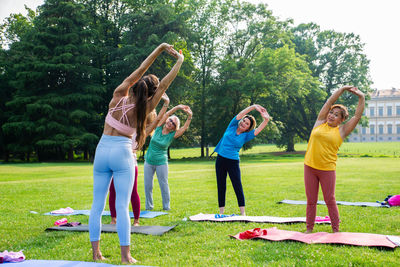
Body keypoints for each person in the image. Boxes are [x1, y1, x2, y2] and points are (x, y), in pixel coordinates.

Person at [89, 43, 183, 264]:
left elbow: (142, 68)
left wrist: (159, 49)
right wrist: (179, 61)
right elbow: (165, 85)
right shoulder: (144, 109)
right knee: (122, 206)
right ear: (150, 93)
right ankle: (125, 257)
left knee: (97, 205)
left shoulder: (118, 94)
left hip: (102, 149)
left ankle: (96, 254)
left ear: (135, 85)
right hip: (122, 152)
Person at [304, 86, 365, 233]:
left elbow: (357, 116)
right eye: (331, 112)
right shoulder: (319, 122)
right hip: (310, 167)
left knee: (329, 200)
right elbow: (329, 101)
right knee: (311, 200)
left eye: (336, 115)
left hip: (327, 169)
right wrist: (342, 89)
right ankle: (309, 229)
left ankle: (336, 230)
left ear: (342, 120)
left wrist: (361, 98)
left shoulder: (342, 131)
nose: (331, 115)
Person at [108, 94, 170, 227]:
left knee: (132, 191)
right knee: (113, 190)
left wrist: (166, 103)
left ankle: (136, 221)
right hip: (117, 158)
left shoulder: (144, 131)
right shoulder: (129, 123)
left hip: (130, 161)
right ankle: (114, 219)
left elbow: (159, 118)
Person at [214, 104, 270, 216]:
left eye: (247, 124)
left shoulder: (246, 136)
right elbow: (241, 114)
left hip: (233, 162)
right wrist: (254, 107)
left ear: (249, 128)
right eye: (244, 121)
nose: (243, 123)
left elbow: (258, 129)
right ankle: (221, 212)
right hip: (220, 159)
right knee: (221, 185)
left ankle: (243, 213)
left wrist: (266, 119)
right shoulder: (232, 125)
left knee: (237, 185)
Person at [144, 104, 193, 211]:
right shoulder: (158, 127)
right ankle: (149, 207)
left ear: (174, 128)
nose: (170, 123)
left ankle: (166, 207)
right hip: (148, 161)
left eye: (173, 123)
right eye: (170, 120)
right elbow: (167, 113)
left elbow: (184, 128)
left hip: (161, 162)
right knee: (148, 186)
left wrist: (190, 116)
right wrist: (178, 107)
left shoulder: (172, 135)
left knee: (164, 185)